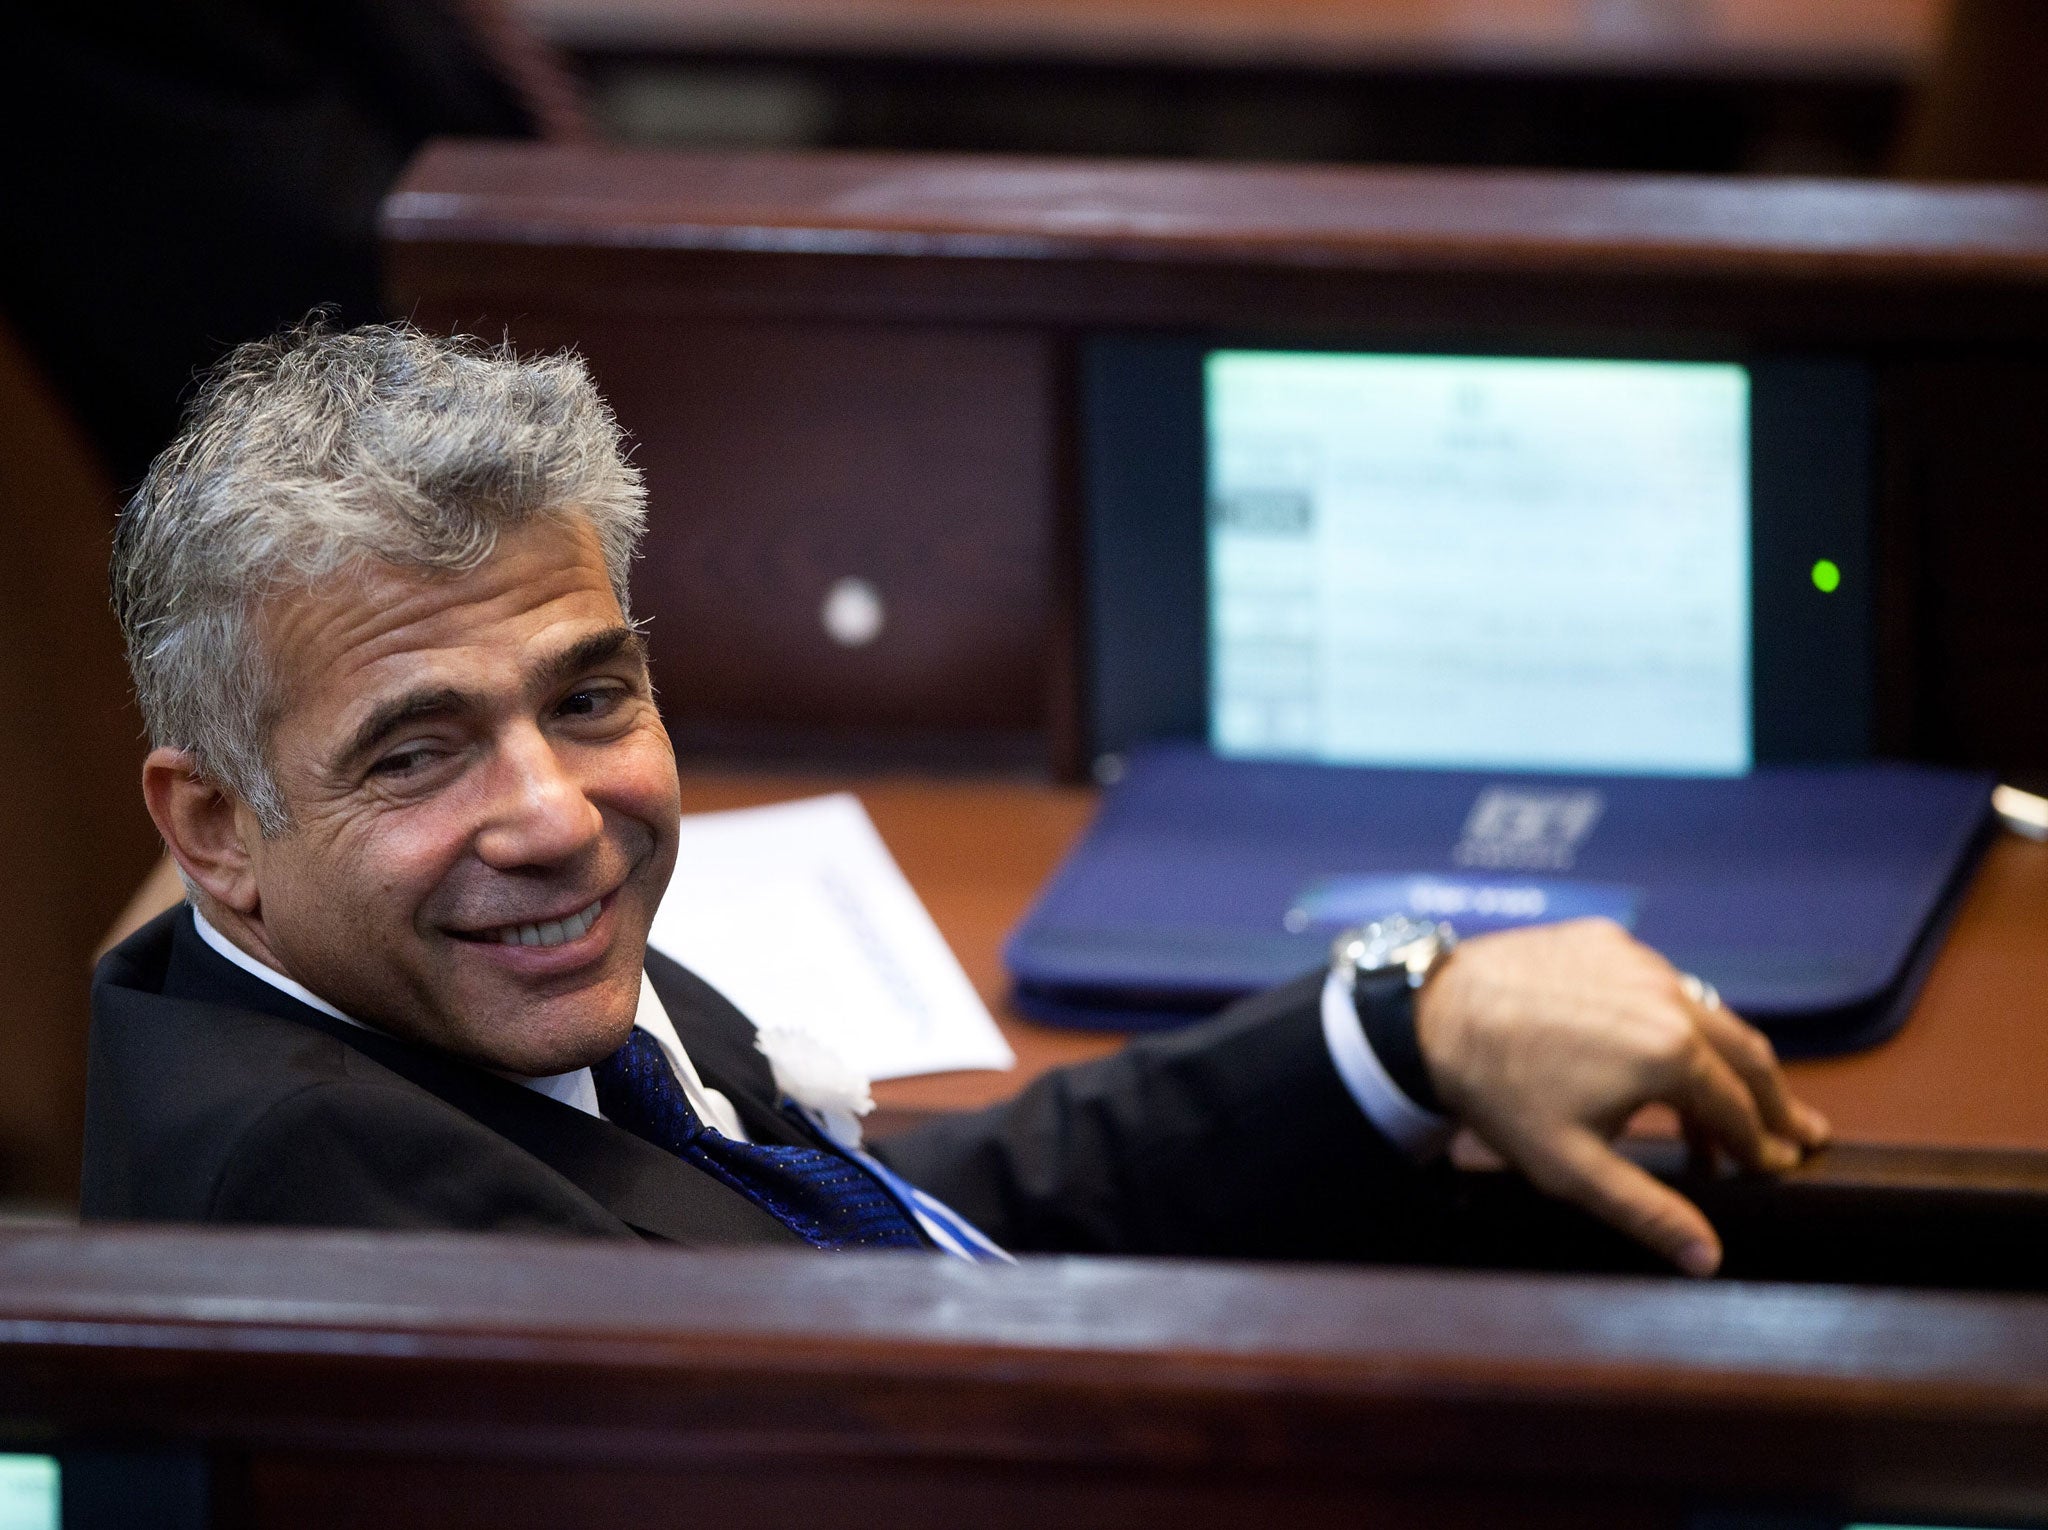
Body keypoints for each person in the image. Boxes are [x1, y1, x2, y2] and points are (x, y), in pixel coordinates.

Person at [84, 321, 1829, 1275]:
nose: (552, 812)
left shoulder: (452, 982)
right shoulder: (347, 1207)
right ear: (214, 828)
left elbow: (886, 1213)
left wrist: (1399, 1023)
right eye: (417, 750)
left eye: (590, 696)